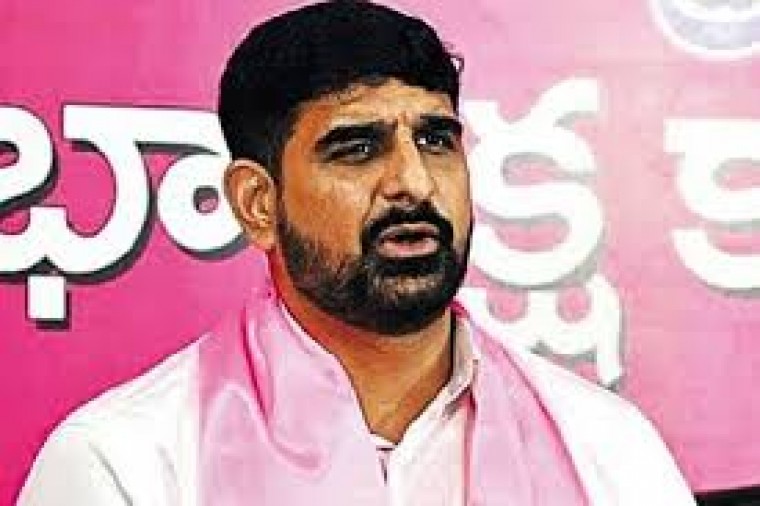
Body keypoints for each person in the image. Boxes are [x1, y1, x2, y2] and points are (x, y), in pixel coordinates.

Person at [18, 2, 697, 505]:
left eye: (436, 141)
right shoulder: (126, 463)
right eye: (358, 148)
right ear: (258, 203)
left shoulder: (607, 449)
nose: (414, 182)